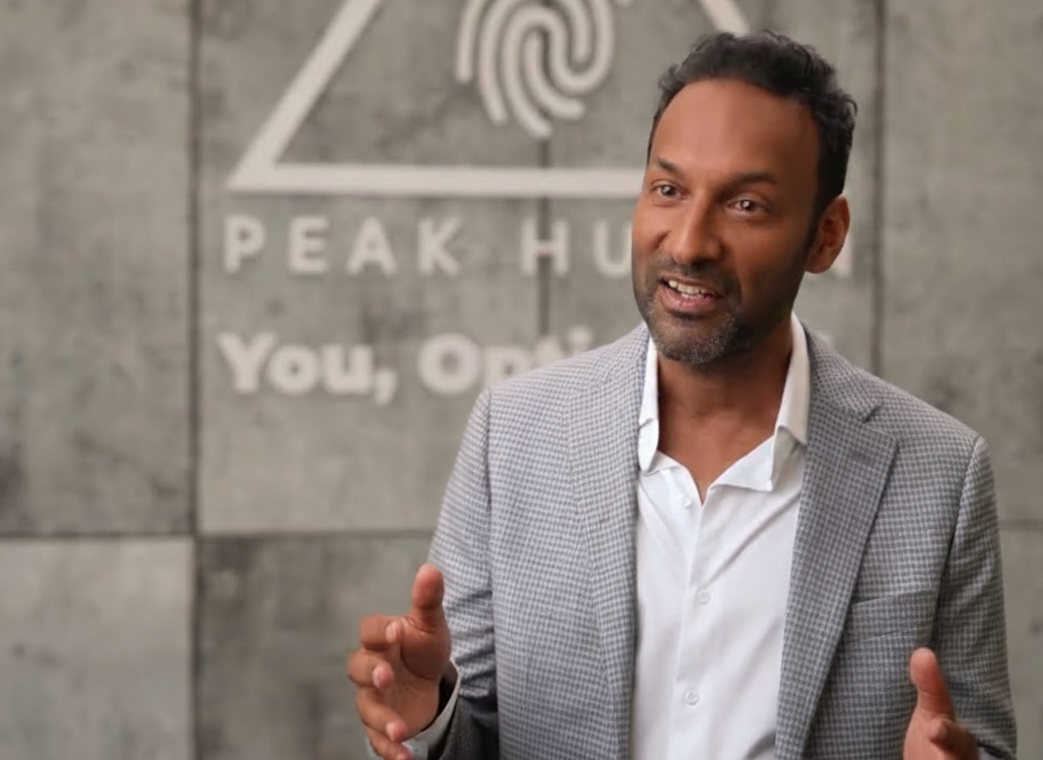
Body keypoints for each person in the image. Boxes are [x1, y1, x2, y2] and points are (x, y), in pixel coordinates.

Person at [348, 30, 1017, 760]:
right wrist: (430, 717)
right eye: (668, 190)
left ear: (825, 236)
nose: (690, 241)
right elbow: (474, 739)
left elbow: (969, 738)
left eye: (747, 205)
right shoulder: (512, 434)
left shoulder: (937, 472)